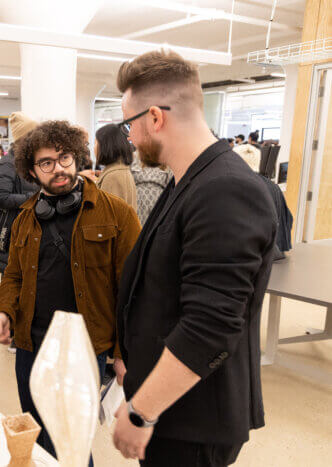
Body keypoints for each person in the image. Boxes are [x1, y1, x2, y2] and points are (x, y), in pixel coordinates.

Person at [112, 49, 277, 466]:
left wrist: (140, 410)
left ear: (154, 117)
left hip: (193, 419)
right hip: (171, 406)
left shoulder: (224, 189)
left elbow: (210, 325)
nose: (128, 139)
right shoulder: (191, 180)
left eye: (128, 124)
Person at [0, 120, 141, 459]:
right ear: (32, 170)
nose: (59, 168)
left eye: (65, 158)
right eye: (47, 162)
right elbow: (13, 275)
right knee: (38, 434)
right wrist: (3, 311)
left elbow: (134, 291)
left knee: (71, 444)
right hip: (31, 342)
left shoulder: (117, 214)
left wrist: (122, 352)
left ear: (78, 157)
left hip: (85, 348)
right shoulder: (25, 218)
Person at [0, 111, 39, 274]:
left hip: (26, 235)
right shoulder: (8, 164)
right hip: (12, 237)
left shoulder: (29, 162)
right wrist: (33, 198)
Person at [94, 124, 138, 211]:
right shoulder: (119, 170)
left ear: (106, 145)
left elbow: (108, 218)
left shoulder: (113, 177)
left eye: (96, 143)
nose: (94, 147)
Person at [130, 155, 171, 226]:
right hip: (138, 200)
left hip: (159, 200)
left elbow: (171, 184)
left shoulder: (165, 159)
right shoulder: (134, 157)